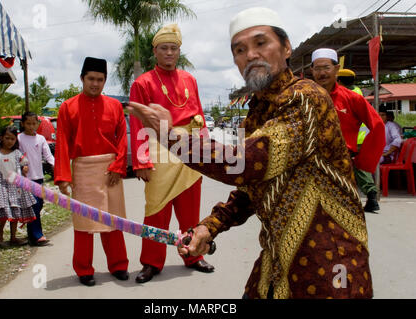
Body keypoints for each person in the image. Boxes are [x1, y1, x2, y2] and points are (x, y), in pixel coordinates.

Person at [128, 7, 374, 299]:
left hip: (330, 262)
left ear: (286, 48)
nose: (250, 55)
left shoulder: (306, 98)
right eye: (240, 49)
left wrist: (170, 137)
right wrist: (210, 227)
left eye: (261, 43)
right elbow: (250, 189)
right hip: (276, 259)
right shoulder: (257, 113)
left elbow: (248, 164)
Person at [129, 23, 214, 284]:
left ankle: (193, 255)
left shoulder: (190, 80)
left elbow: (198, 114)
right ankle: (151, 262)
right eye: (163, 48)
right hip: (158, 148)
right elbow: (136, 124)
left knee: (190, 211)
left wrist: (206, 152)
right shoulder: (142, 83)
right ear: (155, 51)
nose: (169, 53)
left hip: (189, 149)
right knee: (156, 210)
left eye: (173, 48)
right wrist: (141, 159)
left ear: (179, 51)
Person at [54, 57, 129, 287]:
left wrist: (118, 166)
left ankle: (118, 265)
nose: (95, 84)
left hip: (110, 170)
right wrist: (63, 177)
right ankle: (84, 269)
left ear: (105, 81)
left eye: (100, 79)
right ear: (82, 79)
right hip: (83, 169)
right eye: (91, 79)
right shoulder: (68, 107)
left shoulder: (116, 106)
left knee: (113, 222)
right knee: (84, 224)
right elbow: (63, 145)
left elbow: (122, 139)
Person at [311, 48, 385, 213]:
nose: (321, 73)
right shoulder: (303, 97)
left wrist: (364, 160)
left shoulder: (352, 98)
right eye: (317, 68)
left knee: (342, 218)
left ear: (336, 69)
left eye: (326, 68)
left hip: (341, 166)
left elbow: (378, 126)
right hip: (309, 166)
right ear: (311, 71)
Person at [0, 126, 36, 246]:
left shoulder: (17, 153)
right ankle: (0, 234)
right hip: (1, 187)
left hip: (16, 187)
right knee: (3, 210)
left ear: (15, 140)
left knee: (15, 210)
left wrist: (25, 169)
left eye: (12, 139)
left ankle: (13, 237)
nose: (9, 141)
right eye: (7, 138)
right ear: (1, 138)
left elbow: (25, 167)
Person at [18, 112, 54, 246]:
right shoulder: (19, 138)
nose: (31, 126)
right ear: (23, 124)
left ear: (37, 124)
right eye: (28, 123)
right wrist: (21, 167)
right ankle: (37, 235)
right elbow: (16, 155)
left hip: (38, 177)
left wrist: (55, 165)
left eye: (34, 123)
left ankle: (32, 234)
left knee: (38, 204)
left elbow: (48, 155)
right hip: (26, 178)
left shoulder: (41, 139)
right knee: (33, 205)